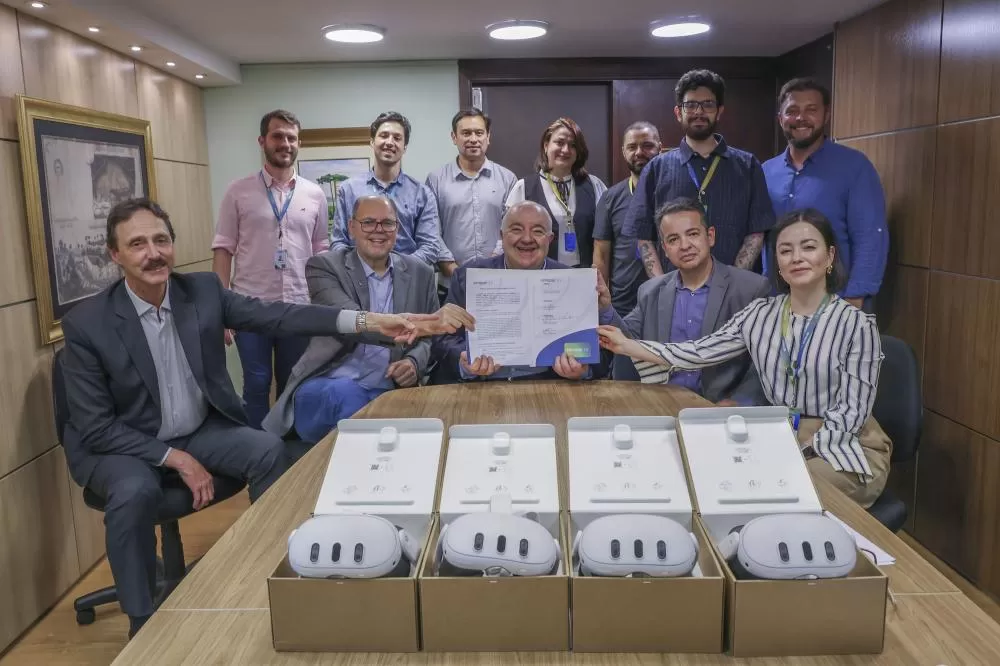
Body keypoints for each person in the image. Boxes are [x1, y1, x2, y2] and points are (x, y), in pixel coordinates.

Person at [61, 199, 445, 639]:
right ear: (116, 255)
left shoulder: (201, 291)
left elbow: (280, 316)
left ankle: (272, 574)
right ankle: (141, 622)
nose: (154, 253)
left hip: (196, 430)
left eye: (161, 240)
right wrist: (176, 459)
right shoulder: (88, 324)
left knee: (267, 450)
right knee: (133, 492)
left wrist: (367, 320)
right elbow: (96, 427)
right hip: (123, 443)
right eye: (138, 244)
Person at [599, 209, 891, 507]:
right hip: (778, 439)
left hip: (845, 449)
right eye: (785, 250)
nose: (797, 257)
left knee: (782, 490)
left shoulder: (857, 325)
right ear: (777, 262)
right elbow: (698, 351)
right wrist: (625, 345)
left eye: (809, 247)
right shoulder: (760, 314)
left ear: (829, 257)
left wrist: (788, 453)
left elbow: (850, 416)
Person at [263, 195, 471, 443]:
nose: (378, 231)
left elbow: (428, 342)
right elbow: (350, 322)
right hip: (327, 384)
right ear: (351, 228)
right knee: (349, 396)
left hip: (388, 390)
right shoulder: (324, 267)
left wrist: (414, 363)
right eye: (369, 222)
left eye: (387, 223)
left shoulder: (421, 273)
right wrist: (428, 324)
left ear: (397, 228)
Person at [211, 109, 330, 428]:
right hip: (250, 306)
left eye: (291, 138)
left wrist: (325, 304)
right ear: (262, 140)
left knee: (294, 384)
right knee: (257, 384)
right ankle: (258, 454)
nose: (285, 143)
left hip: (299, 306)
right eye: (278, 136)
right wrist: (221, 309)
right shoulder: (238, 191)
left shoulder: (314, 194)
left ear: (299, 143)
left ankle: (290, 457)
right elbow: (223, 249)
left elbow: (321, 252)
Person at [609, 198, 770, 405]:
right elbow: (625, 340)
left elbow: (764, 362)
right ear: (665, 249)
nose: (685, 246)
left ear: (710, 236)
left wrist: (739, 401)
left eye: (693, 234)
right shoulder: (650, 291)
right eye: (673, 239)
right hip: (661, 405)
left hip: (720, 412)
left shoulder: (751, 289)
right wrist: (605, 307)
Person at [432, 201, 614, 383]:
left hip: (551, 386)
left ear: (549, 239)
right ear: (502, 236)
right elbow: (444, 340)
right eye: (517, 229)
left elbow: (605, 355)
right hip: (483, 387)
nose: (527, 239)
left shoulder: (574, 282)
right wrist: (465, 362)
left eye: (537, 231)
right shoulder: (468, 276)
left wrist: (583, 370)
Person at [622, 69, 775, 277]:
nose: (699, 112)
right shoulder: (656, 169)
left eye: (708, 104)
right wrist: (661, 286)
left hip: (738, 296)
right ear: (678, 113)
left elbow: (756, 232)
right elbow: (643, 237)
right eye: (691, 105)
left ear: (719, 111)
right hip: (675, 295)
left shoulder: (748, 166)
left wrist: (732, 284)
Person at [763, 77, 888, 311]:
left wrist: (856, 297)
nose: (801, 118)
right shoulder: (766, 172)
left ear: (826, 115)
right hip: (778, 304)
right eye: (792, 111)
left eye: (811, 110)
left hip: (837, 302)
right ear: (780, 119)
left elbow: (870, 235)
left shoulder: (854, 167)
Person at [332, 111, 443, 267]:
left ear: (404, 147)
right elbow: (338, 242)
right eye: (384, 135)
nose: (390, 142)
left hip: (407, 282)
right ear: (372, 142)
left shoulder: (422, 194)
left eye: (397, 138)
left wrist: (396, 270)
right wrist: (360, 270)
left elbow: (430, 247)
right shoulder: (348, 190)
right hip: (357, 283)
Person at [425, 108, 517, 286]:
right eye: (466, 133)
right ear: (454, 137)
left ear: (488, 137)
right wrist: (453, 270)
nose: (473, 139)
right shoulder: (436, 180)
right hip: (451, 283)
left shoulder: (508, 179)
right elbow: (431, 231)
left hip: (499, 280)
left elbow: (511, 229)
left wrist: (492, 266)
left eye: (479, 133)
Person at [504, 118, 608, 268]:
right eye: (559, 143)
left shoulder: (594, 185)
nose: (565, 150)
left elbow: (605, 237)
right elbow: (510, 238)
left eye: (573, 145)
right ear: (546, 145)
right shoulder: (524, 188)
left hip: (584, 278)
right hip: (539, 278)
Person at [593, 121, 662, 315]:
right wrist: (601, 303)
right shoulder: (609, 198)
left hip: (667, 301)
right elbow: (601, 254)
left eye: (647, 145)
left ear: (660, 147)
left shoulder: (672, 192)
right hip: (623, 305)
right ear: (623, 151)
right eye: (632, 147)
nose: (639, 152)